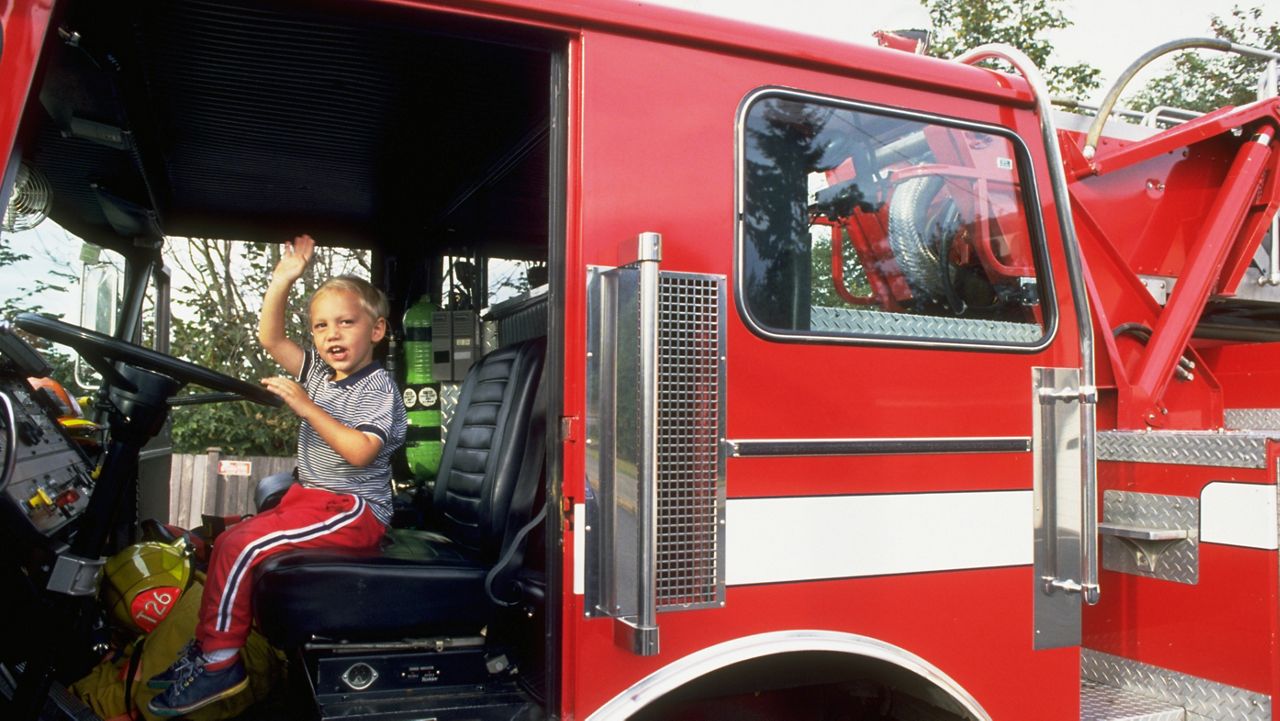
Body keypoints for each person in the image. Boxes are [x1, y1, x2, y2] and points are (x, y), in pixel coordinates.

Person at [148, 234, 407, 716]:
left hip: (353, 510)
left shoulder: (378, 388)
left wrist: (305, 407)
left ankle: (220, 660)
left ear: (376, 330)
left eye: (346, 323)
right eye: (320, 326)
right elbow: (271, 337)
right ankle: (209, 648)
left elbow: (358, 453)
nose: (332, 334)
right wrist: (283, 279)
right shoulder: (318, 374)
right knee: (226, 538)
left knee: (239, 546)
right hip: (309, 498)